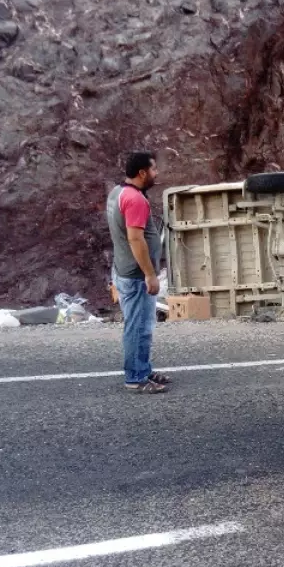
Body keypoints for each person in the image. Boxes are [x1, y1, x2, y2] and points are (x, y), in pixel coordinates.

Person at [106, 150, 170, 393]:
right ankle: (135, 377)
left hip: (124, 270)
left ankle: (142, 368)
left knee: (141, 324)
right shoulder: (135, 200)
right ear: (142, 173)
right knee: (139, 327)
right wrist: (150, 274)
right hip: (135, 276)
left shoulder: (117, 193)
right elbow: (135, 239)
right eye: (154, 169)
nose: (157, 173)